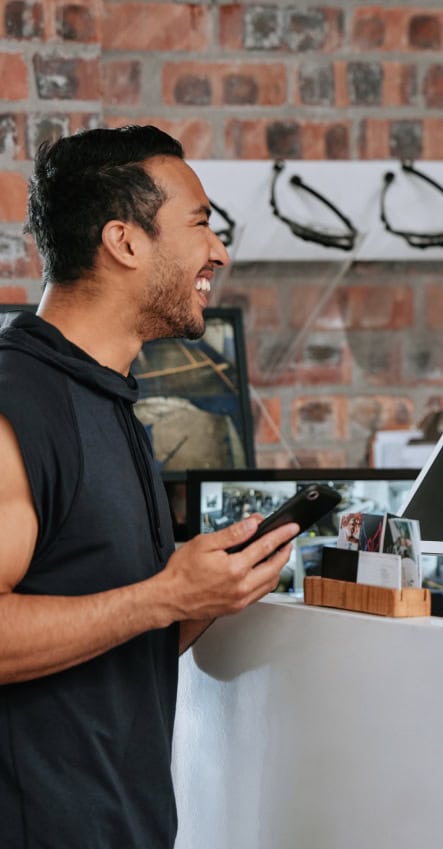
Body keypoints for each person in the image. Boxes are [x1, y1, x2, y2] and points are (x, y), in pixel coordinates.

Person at [0, 126, 299, 848]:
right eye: (200, 224)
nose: (219, 251)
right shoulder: (18, 400)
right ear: (125, 242)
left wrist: (208, 591)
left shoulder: (110, 401)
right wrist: (163, 595)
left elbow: (115, 632)